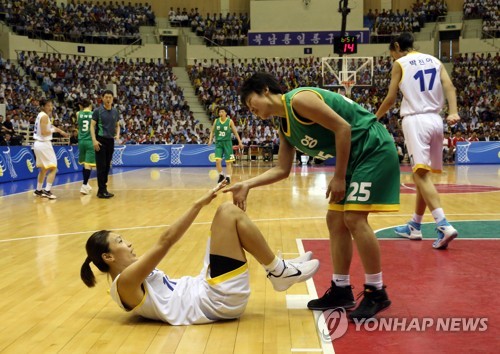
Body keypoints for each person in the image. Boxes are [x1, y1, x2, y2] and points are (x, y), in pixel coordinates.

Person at [226, 72, 400, 320]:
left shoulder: (298, 100)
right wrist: (247, 184)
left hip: (372, 147)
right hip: (354, 157)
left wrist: (339, 177)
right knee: (335, 220)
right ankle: (341, 289)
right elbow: (282, 169)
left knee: (354, 218)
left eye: (250, 102)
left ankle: (376, 292)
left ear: (265, 90)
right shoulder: (284, 125)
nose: (251, 110)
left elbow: (343, 127)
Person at [80, 182, 320, 325]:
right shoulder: (125, 283)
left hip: (205, 290)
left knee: (222, 222)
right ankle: (278, 272)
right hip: (216, 301)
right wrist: (198, 204)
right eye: (120, 241)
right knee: (227, 212)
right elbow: (166, 241)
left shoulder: (128, 280)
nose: (129, 243)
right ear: (108, 257)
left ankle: (278, 269)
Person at [375, 32, 461, 250]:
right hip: (436, 120)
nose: (392, 57)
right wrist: (453, 112)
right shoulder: (435, 60)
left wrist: (374, 118)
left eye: (392, 52)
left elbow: (391, 98)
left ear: (396, 46)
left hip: (416, 121)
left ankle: (443, 225)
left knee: (421, 176)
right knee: (420, 174)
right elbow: (450, 87)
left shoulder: (400, 63)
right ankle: (415, 225)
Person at [32, 98, 69, 199]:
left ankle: (38, 190)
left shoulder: (41, 115)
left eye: (51, 105)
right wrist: (54, 131)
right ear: (43, 106)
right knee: (53, 168)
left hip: (38, 144)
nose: (50, 107)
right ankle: (47, 191)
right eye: (48, 105)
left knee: (44, 169)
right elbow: (45, 132)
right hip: (44, 144)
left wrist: (60, 131)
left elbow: (49, 126)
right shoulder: (44, 116)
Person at [90, 90, 120, 199]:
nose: (108, 99)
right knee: (101, 166)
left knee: (107, 166)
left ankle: (103, 189)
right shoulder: (97, 111)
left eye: (110, 97)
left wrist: (117, 135)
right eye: (106, 97)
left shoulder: (115, 112)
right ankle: (101, 190)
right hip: (100, 140)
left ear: (112, 99)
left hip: (110, 141)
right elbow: (92, 126)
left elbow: (118, 125)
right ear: (102, 98)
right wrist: (94, 140)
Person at [208, 107, 243, 184]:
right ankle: (221, 175)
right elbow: (212, 131)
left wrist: (240, 142)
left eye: (222, 112)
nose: (220, 113)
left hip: (227, 143)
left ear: (226, 113)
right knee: (217, 160)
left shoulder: (229, 121)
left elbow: (235, 132)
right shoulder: (216, 121)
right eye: (219, 112)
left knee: (228, 162)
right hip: (219, 143)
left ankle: (228, 177)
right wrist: (210, 140)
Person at [77, 99, 96, 195]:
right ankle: (84, 185)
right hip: (89, 141)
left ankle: (86, 183)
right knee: (88, 164)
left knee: (85, 163)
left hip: (81, 141)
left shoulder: (78, 114)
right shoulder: (94, 114)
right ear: (90, 104)